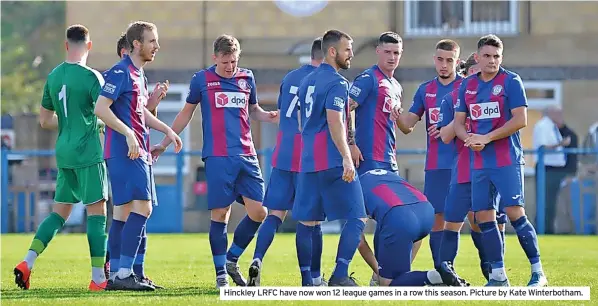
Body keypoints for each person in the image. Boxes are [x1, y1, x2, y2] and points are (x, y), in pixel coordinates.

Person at [151, 34, 278, 288]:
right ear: (215, 58)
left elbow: (252, 110)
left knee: (260, 211)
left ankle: (232, 259)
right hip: (218, 156)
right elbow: (185, 113)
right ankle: (221, 273)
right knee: (221, 213)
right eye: (225, 62)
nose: (230, 67)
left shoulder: (247, 78)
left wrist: (267, 116)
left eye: (234, 62)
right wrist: (165, 142)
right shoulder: (202, 80)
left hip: (246, 154)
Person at [14, 24, 109, 291]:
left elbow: (44, 121)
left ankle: (27, 262)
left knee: (59, 212)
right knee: (97, 212)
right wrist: (95, 125)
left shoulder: (53, 76)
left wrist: (69, 123)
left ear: (66, 45)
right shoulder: (93, 77)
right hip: (88, 152)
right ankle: (98, 278)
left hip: (64, 152)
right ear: (89, 46)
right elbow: (104, 112)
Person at [94, 21, 182, 291]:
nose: (157, 46)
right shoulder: (120, 72)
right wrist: (129, 134)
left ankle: (123, 273)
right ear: (136, 44)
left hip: (136, 151)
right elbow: (101, 108)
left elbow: (140, 112)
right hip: (125, 152)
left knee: (122, 213)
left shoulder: (139, 75)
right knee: (143, 207)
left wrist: (167, 129)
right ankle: (123, 274)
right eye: (152, 41)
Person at [454, 34, 547, 287]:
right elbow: (459, 123)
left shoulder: (511, 81)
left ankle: (538, 272)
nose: (492, 60)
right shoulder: (468, 85)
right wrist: (469, 139)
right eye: (487, 56)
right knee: (484, 217)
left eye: (497, 56)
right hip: (480, 162)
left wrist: (487, 136)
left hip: (507, 160)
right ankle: (498, 276)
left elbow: (521, 120)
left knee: (516, 214)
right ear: (477, 57)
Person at [247, 37, 325, 287]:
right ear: (328, 54)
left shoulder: (290, 77)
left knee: (275, 215)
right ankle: (310, 278)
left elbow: (284, 112)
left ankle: (257, 258)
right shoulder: (325, 80)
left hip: (283, 155)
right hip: (309, 158)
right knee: (310, 220)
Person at [293, 29, 367, 287]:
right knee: (358, 217)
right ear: (332, 51)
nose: (351, 54)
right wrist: (347, 157)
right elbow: (335, 121)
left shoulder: (306, 81)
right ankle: (340, 274)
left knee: (309, 221)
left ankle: (310, 280)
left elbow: (303, 121)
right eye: (347, 49)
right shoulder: (337, 83)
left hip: (309, 158)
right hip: (332, 159)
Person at [436, 53, 507, 281]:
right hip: (465, 170)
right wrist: (460, 117)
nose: (481, 77)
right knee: (453, 220)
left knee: (494, 222)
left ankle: (495, 273)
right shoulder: (452, 99)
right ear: (465, 75)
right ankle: (447, 271)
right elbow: (445, 136)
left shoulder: (498, 96)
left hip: (492, 168)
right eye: (475, 73)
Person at [396, 39, 462, 270]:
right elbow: (407, 126)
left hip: (463, 163)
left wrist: (451, 126)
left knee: (474, 218)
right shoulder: (426, 90)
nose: (444, 65)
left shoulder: (466, 87)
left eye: (449, 60)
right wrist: (395, 112)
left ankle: (494, 272)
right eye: (440, 60)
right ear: (435, 60)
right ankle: (442, 270)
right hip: (436, 164)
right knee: (437, 220)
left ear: (457, 61)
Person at [357, 169, 468, 287]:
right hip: (426, 211)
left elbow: (359, 241)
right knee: (400, 275)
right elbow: (415, 237)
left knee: (387, 285)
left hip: (400, 218)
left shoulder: (352, 190)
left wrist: (379, 272)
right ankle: (428, 278)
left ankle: (438, 276)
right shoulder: (382, 175)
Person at [348, 32, 404, 175]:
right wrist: (351, 144)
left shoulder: (397, 86)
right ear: (378, 51)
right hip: (369, 158)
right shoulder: (368, 78)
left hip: (390, 158)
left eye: (396, 53)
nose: (392, 57)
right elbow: (345, 108)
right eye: (387, 52)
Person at [533, 105, 571, 234]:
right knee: (545, 202)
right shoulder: (543, 126)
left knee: (551, 202)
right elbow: (543, 147)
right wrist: (561, 144)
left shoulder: (553, 126)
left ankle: (548, 229)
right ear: (550, 113)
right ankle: (543, 230)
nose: (561, 116)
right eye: (558, 113)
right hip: (547, 168)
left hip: (555, 169)